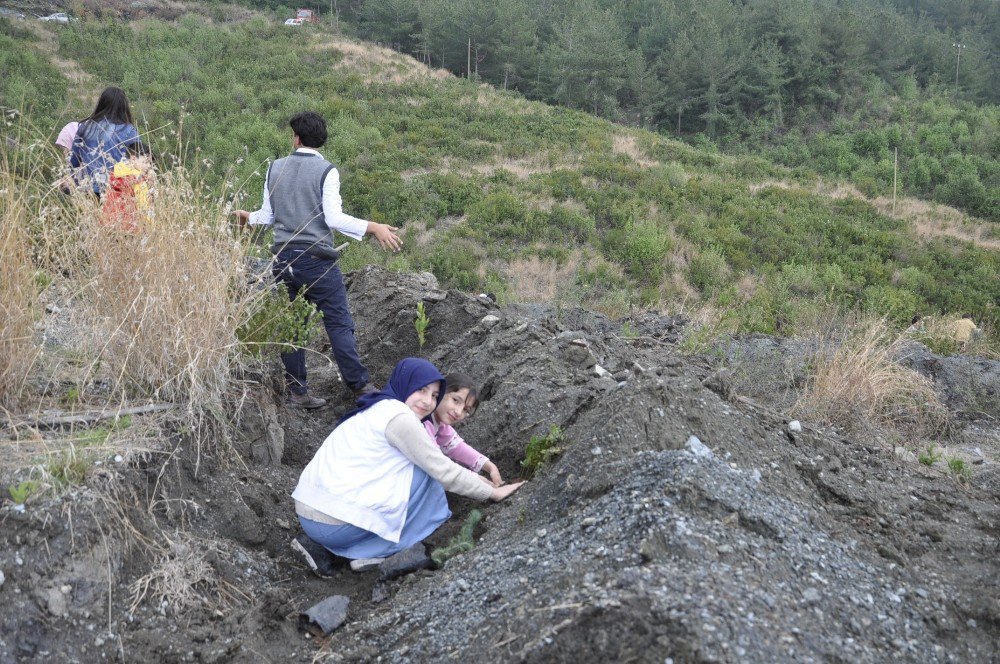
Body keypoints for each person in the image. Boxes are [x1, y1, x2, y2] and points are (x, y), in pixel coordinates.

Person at [233, 111, 402, 408]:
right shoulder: (327, 171)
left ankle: (298, 392)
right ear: (320, 140)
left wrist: (248, 218)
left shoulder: (275, 168)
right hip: (317, 260)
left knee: (293, 325)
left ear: (296, 138)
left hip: (283, 259)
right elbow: (333, 218)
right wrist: (373, 227)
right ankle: (360, 387)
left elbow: (267, 217)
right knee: (338, 322)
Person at [291, 358, 523, 573]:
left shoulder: (379, 407)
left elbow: (451, 444)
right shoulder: (401, 419)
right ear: (406, 383)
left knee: (418, 468)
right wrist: (492, 492)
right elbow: (443, 470)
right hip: (332, 526)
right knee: (426, 474)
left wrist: (483, 467)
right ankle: (378, 550)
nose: (427, 401)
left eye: (433, 395)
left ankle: (341, 545)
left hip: (309, 512)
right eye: (421, 389)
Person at [424, 373, 503, 486]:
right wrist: (475, 479)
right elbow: (437, 464)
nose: (458, 412)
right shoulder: (423, 421)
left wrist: (490, 466)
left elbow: (455, 446)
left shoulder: (440, 423)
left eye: (466, 410)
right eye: (456, 400)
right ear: (440, 391)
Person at [70, 87, 140, 197]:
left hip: (86, 188)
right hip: (116, 190)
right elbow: (137, 162)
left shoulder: (85, 127)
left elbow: (73, 160)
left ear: (101, 104)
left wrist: (72, 182)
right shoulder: (129, 131)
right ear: (123, 107)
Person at [100, 142, 154, 232]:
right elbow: (143, 207)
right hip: (125, 226)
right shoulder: (130, 176)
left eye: (150, 163)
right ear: (133, 158)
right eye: (146, 162)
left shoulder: (120, 172)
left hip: (115, 225)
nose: (148, 166)